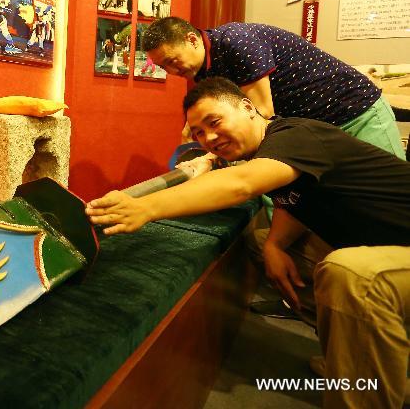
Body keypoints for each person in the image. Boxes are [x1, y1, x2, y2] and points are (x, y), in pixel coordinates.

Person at [86, 77, 410, 408]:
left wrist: (146, 206)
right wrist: (274, 245)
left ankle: (366, 382)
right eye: (198, 133)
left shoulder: (296, 135)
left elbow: (242, 183)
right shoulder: (270, 151)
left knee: (352, 275)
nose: (209, 138)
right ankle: (356, 357)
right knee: (261, 242)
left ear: (247, 107)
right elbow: (296, 199)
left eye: (214, 122)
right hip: (386, 249)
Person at [143, 17, 404, 159]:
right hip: (315, 131)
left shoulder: (236, 41)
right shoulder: (203, 70)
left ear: (191, 39)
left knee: (393, 201)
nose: (174, 72)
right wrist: (192, 142)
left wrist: (212, 157)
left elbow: (261, 114)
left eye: (172, 61)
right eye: (164, 68)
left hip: (355, 112)